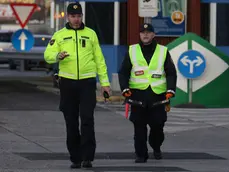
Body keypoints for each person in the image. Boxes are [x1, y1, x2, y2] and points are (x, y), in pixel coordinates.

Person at [44, 2, 110, 169]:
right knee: (71, 120)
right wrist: (58, 56)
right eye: (73, 16)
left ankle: (88, 157)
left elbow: (99, 60)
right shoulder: (59, 35)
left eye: (79, 16)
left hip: (87, 82)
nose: (76, 19)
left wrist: (105, 83)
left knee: (87, 119)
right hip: (67, 82)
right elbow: (47, 55)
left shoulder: (91, 34)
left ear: (82, 16)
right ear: (68, 17)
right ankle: (75, 157)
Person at [118, 23, 177, 163]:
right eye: (143, 32)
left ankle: (156, 146)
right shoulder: (132, 50)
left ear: (153, 34)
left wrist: (170, 90)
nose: (145, 34)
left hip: (158, 96)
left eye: (148, 32)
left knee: (157, 125)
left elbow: (171, 73)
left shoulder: (163, 51)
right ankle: (140, 155)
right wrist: (125, 89)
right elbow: (123, 72)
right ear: (139, 34)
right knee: (139, 126)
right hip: (137, 95)